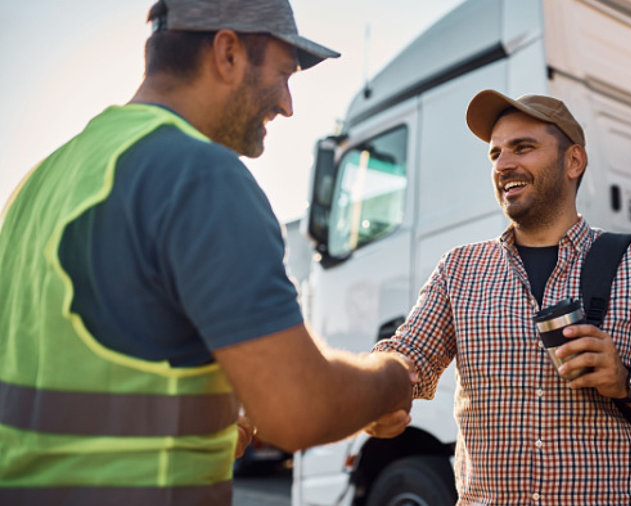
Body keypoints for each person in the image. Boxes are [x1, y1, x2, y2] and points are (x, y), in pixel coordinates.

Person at [0, 1, 413, 504]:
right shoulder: (198, 174)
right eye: (284, 74)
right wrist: (392, 380)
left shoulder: (38, 183)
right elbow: (300, 410)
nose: (287, 104)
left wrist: (218, 417)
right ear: (228, 52)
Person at [366, 90, 631, 504]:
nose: (504, 164)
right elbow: (406, 354)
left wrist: (628, 381)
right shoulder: (459, 270)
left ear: (573, 161)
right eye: (495, 154)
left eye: (523, 148)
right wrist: (376, 393)